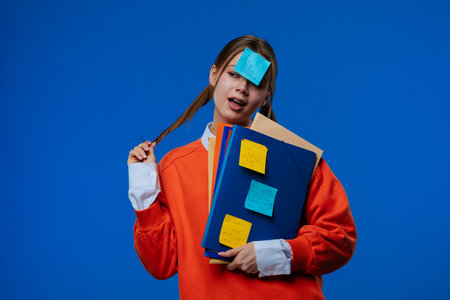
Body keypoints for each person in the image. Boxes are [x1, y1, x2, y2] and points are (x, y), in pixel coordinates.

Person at [127, 35, 357, 299]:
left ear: (266, 96)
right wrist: (143, 187)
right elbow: (161, 264)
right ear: (214, 75)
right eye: (234, 75)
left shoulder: (296, 159)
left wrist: (276, 254)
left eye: (255, 83)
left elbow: (340, 237)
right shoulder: (174, 167)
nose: (242, 89)